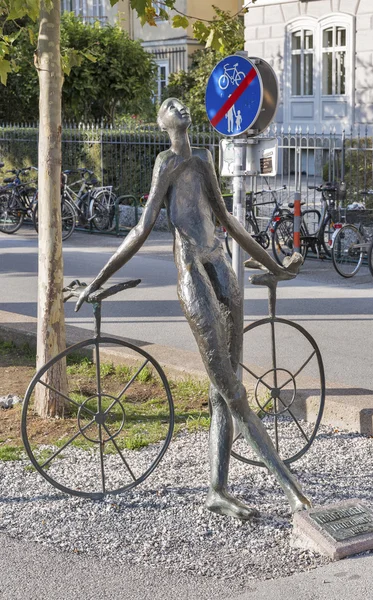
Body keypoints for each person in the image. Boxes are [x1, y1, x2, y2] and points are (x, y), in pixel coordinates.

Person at [76, 98, 311, 520]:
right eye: (171, 105)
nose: (181, 107)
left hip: (219, 263)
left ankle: (217, 491)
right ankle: (291, 488)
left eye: (182, 103)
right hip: (191, 269)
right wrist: (98, 279)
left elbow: (228, 221)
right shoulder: (165, 162)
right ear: (161, 122)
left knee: (224, 389)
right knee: (232, 389)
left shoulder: (202, 158)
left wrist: (275, 265)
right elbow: (142, 226)